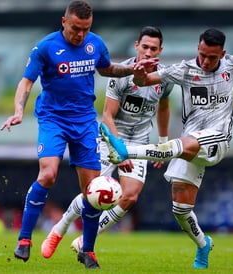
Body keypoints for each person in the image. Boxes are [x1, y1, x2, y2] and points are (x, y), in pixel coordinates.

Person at [100, 28, 233, 269]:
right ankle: (203, 244)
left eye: (212, 57)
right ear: (198, 48)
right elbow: (148, 81)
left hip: (217, 139)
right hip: (191, 141)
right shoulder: (183, 70)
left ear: (222, 54)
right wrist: (140, 75)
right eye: (202, 54)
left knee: (174, 146)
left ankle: (124, 151)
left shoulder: (230, 65)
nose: (205, 61)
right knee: (181, 209)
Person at [0, 0, 134, 269]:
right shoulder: (46, 47)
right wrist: (18, 110)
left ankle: (89, 251)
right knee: (48, 174)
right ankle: (25, 239)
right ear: (64, 22)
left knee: (92, 190)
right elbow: (26, 82)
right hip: (53, 120)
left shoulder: (95, 43)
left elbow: (106, 69)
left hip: (84, 122)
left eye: (85, 29)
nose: (80, 34)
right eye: (75, 28)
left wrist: (132, 68)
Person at [40, 26, 173, 258]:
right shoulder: (122, 75)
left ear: (160, 50)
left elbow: (163, 106)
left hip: (140, 141)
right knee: (92, 191)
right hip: (112, 136)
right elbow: (108, 117)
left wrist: (163, 141)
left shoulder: (164, 77)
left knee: (129, 196)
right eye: (145, 47)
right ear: (136, 46)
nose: (149, 52)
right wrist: (119, 151)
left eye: (154, 48)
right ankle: (58, 229)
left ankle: (84, 240)